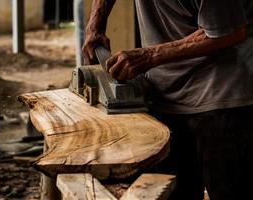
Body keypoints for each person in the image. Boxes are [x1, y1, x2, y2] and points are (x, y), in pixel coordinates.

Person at [82, 0, 253, 199]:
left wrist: (150, 55)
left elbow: (229, 32)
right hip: (164, 95)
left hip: (222, 97)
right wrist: (95, 24)